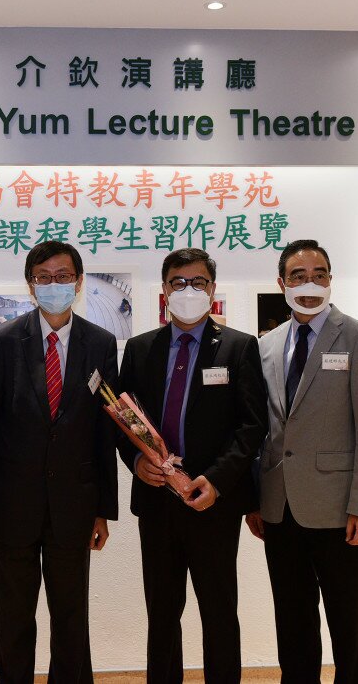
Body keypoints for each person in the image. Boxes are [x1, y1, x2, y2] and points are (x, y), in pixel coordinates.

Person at [0, 240, 119, 683]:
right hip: (11, 505)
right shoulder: (5, 342)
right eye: (45, 277)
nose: (55, 284)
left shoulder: (100, 343)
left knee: (72, 621)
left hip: (75, 505)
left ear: (79, 282)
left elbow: (104, 431)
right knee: (13, 620)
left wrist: (102, 510)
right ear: (31, 286)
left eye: (64, 276)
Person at [118, 247, 267, 683]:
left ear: (213, 290)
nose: (188, 291)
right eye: (178, 282)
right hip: (157, 502)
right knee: (162, 615)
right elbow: (123, 422)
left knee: (219, 612)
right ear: (163, 290)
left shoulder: (239, 348)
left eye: (198, 282)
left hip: (213, 504)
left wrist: (216, 482)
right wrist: (135, 462)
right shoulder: (141, 348)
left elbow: (251, 427)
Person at [245, 239, 358, 684]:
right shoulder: (267, 345)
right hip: (279, 507)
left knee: (348, 625)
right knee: (292, 623)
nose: (310, 284)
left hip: (338, 508)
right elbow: (260, 429)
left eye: (319, 274)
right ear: (281, 283)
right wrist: (254, 497)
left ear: (330, 280)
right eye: (298, 276)